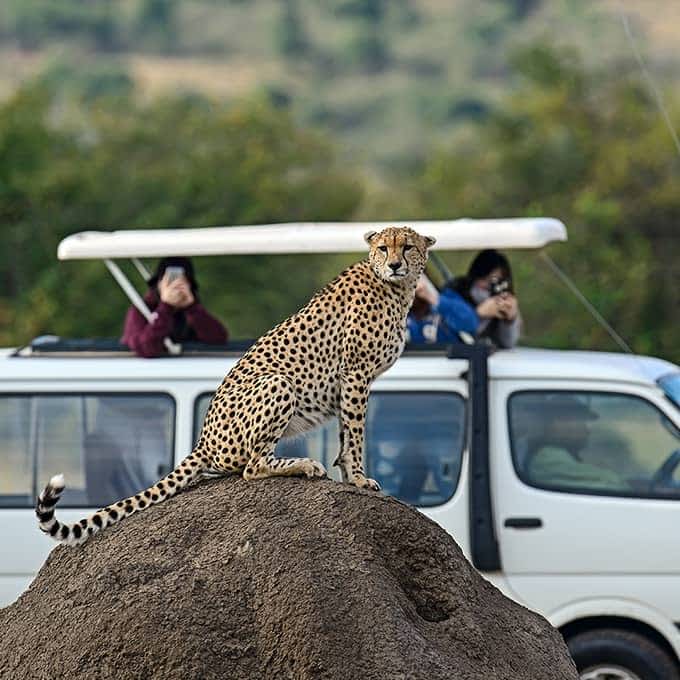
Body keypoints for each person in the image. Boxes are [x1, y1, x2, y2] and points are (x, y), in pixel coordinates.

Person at [407, 249, 521, 348]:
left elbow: (507, 343)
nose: (489, 286)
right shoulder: (459, 292)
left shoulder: (447, 299)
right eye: (486, 279)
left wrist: (510, 319)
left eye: (497, 282)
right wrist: (479, 313)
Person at [122, 257, 228, 358]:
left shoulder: (193, 313)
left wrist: (192, 307)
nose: (175, 286)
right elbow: (145, 347)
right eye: (169, 281)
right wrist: (165, 307)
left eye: (181, 281)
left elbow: (218, 339)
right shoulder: (141, 310)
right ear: (159, 283)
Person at [526, 395, 630, 492]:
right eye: (582, 421)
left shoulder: (560, 455)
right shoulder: (548, 458)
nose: (587, 430)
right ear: (560, 423)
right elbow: (613, 485)